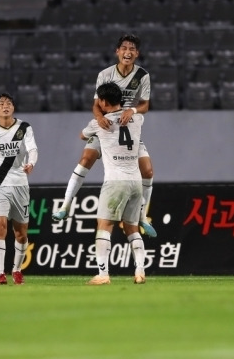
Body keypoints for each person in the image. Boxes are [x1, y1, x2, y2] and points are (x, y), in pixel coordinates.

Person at [52, 33, 157, 238]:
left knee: (148, 171)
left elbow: (145, 104)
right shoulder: (105, 74)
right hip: (106, 127)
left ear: (137, 53)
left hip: (127, 127)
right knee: (86, 159)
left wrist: (132, 111)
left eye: (132, 49)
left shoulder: (142, 75)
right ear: (117, 52)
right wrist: (99, 118)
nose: (128, 52)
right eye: (124, 48)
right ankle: (65, 206)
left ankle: (143, 216)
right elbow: (95, 104)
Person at [81, 83, 147, 285]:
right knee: (132, 228)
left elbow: (82, 135)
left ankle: (103, 274)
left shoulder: (98, 124)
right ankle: (140, 271)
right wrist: (131, 110)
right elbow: (140, 112)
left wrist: (99, 119)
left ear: (102, 102)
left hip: (115, 181)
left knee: (104, 225)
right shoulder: (137, 119)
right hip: (136, 181)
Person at [0, 93, 38, 285]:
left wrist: (31, 163)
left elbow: (33, 149)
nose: (5, 106)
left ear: (13, 108)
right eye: (1, 104)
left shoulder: (24, 127)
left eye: (9, 103)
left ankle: (16, 269)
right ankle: (0, 273)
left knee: (21, 233)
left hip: (20, 184)